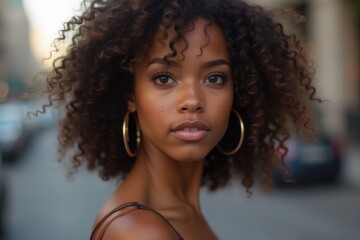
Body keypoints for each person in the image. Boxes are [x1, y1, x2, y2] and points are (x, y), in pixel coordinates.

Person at [41, 0, 319, 239]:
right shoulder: (140, 231)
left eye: (215, 78)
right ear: (130, 95)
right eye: (164, 78)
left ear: (239, 92)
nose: (193, 101)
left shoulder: (179, 211)